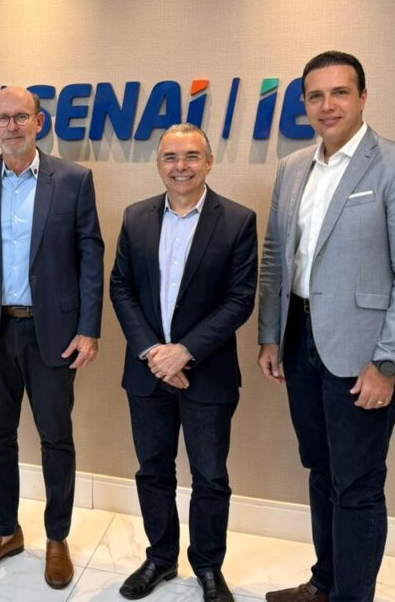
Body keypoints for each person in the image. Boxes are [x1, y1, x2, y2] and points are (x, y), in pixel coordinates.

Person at [257, 51, 395, 602]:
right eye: (315, 95)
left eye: (340, 92)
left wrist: (388, 362)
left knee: (357, 484)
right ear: (304, 104)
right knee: (321, 470)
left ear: (363, 97)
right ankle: (324, 584)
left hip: (365, 355)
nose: (327, 105)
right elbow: (276, 256)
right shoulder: (292, 168)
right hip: (300, 343)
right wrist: (271, 334)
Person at [0, 85, 105, 590]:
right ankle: (5, 531)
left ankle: (57, 537)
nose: (12, 126)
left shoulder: (74, 179)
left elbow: (90, 255)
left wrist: (88, 328)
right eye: (3, 118)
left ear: (40, 122)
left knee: (55, 438)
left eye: (22, 117)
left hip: (52, 332)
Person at [110, 124, 258, 602]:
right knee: (153, 470)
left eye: (191, 156)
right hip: (147, 371)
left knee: (210, 476)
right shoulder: (136, 217)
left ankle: (209, 566)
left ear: (209, 162)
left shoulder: (237, 220)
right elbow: (121, 288)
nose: (181, 166)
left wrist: (184, 350)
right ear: (159, 164)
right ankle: (160, 557)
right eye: (170, 157)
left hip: (208, 373)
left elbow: (239, 299)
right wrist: (154, 352)